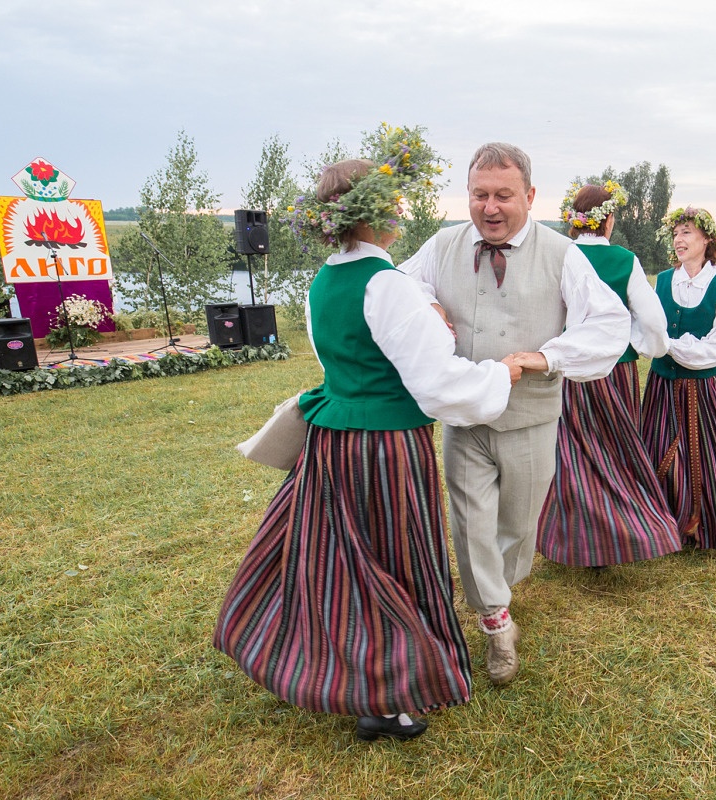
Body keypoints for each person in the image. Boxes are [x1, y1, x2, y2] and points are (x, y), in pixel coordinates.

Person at [214, 131, 523, 743]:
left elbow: (347, 359)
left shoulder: (324, 281)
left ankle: (345, 668)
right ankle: (391, 696)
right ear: (380, 215)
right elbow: (438, 384)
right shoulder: (389, 285)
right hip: (384, 448)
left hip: (331, 444)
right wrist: (500, 371)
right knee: (391, 560)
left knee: (342, 560)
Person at [400, 143, 629, 686]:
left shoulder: (562, 254)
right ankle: (495, 621)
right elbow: (397, 285)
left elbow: (608, 324)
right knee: (471, 520)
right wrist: (423, 302)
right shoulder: (442, 245)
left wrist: (548, 357)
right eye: (480, 195)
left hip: (531, 418)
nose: (491, 207)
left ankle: (496, 590)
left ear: (529, 196)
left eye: (504, 195)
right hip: (464, 418)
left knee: (518, 526)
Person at [536, 180, 681, 567]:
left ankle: (572, 539)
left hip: (564, 369)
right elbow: (652, 319)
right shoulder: (623, 260)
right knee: (617, 450)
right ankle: (623, 534)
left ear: (574, 219)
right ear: (608, 220)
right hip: (614, 371)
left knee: (569, 452)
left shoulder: (555, 253)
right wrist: (645, 346)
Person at [640, 207, 716, 553]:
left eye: (687, 232)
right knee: (656, 451)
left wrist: (665, 345)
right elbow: (645, 324)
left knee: (706, 459)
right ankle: (662, 528)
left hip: (702, 388)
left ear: (707, 239)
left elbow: (715, 349)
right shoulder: (661, 281)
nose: (678, 239)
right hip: (661, 385)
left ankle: (704, 530)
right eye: (675, 233)